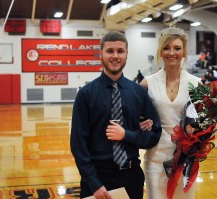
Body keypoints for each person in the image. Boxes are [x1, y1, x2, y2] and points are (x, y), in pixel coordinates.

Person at [70, 31, 162, 199]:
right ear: (101, 54)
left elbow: (154, 134)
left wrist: (127, 135)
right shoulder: (86, 94)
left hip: (131, 176)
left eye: (120, 51)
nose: (115, 56)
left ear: (127, 54)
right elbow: (78, 145)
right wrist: (94, 183)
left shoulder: (138, 92)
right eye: (110, 51)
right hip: (98, 179)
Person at [140, 26, 202, 199]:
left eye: (177, 48)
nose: (171, 53)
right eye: (166, 48)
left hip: (186, 160)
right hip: (155, 160)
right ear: (160, 52)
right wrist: (140, 124)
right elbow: (136, 117)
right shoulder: (147, 83)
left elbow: (204, 122)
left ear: (184, 52)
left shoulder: (197, 84)